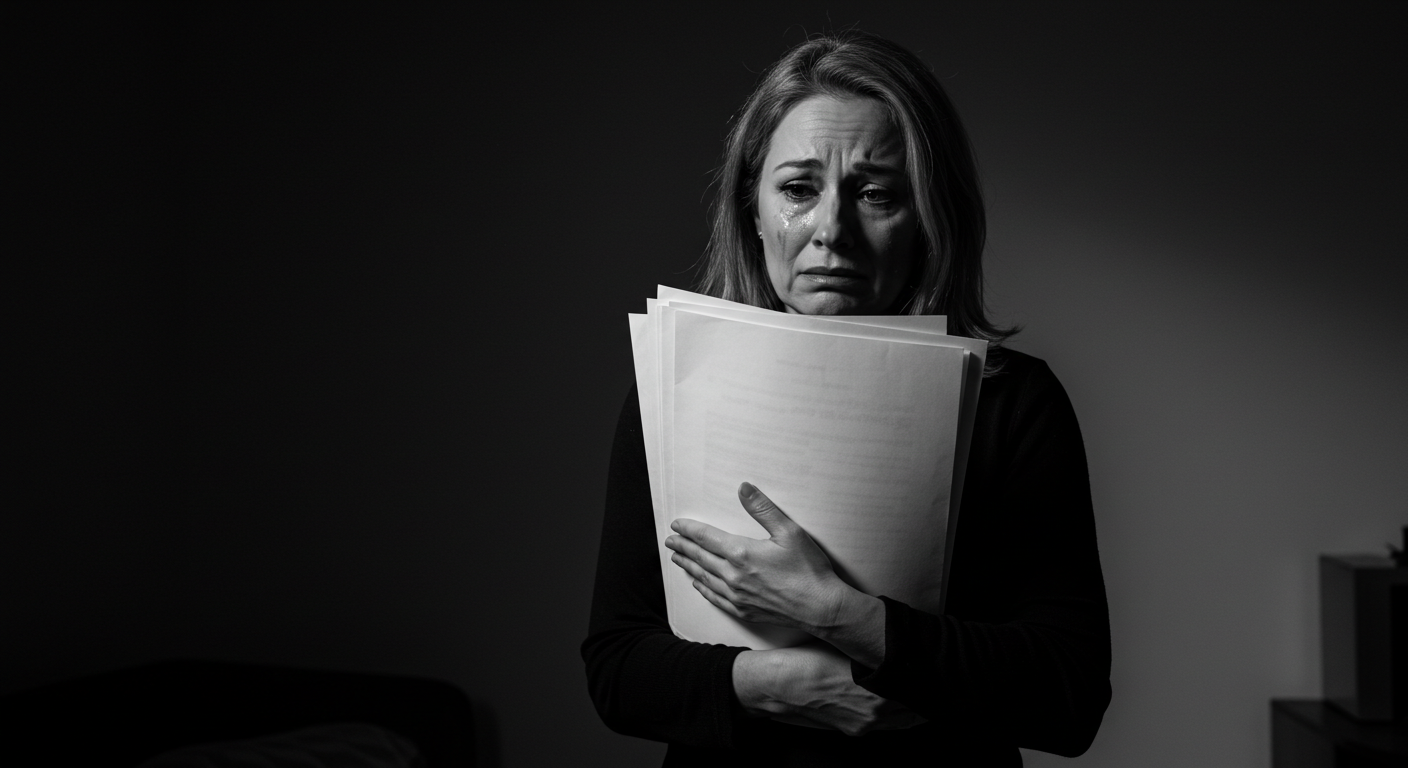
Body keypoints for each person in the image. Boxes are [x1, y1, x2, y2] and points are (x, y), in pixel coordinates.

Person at [582, 30, 1110, 767]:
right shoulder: (672, 385)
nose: (832, 230)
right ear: (752, 208)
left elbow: (1070, 697)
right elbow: (616, 670)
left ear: (930, 216)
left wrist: (839, 613)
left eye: (876, 193)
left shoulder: (1016, 404)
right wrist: (762, 686)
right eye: (799, 190)